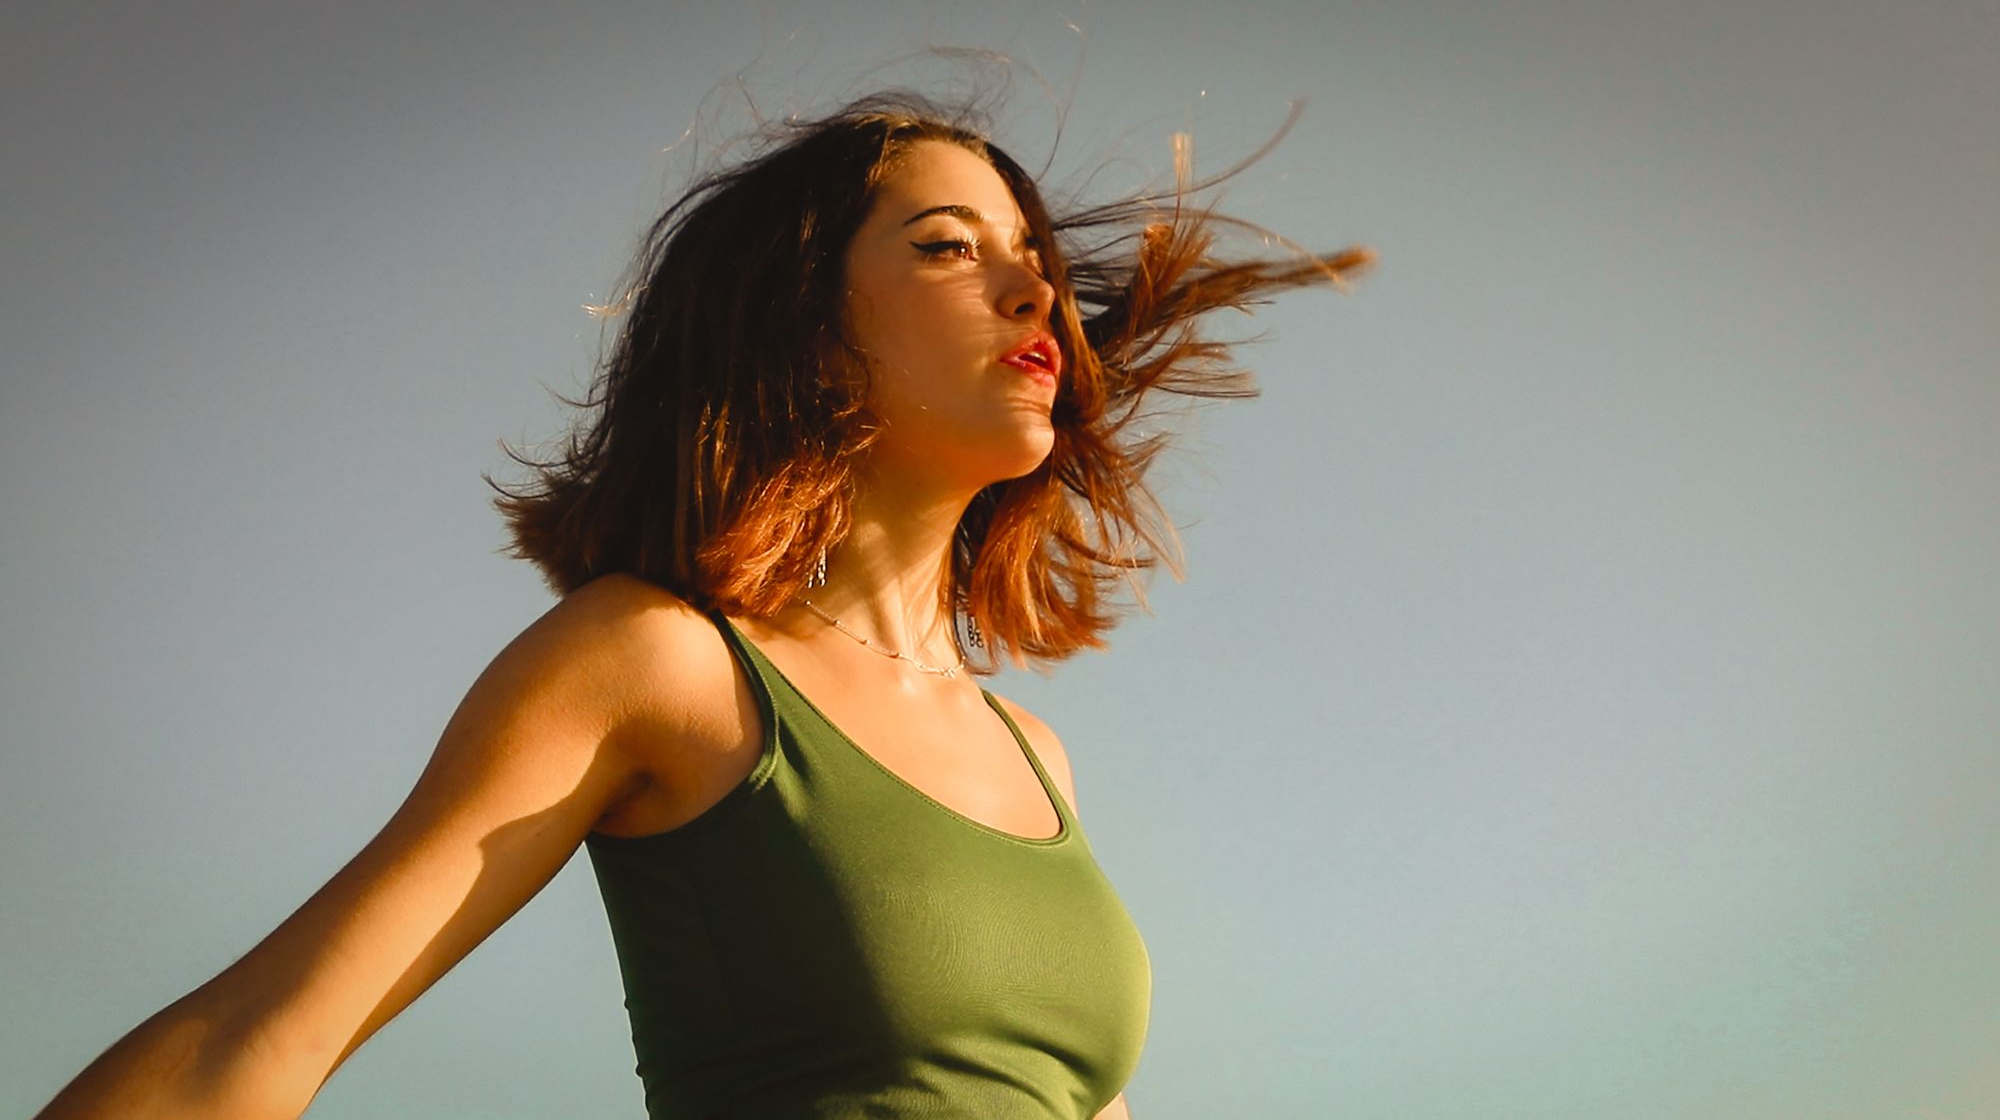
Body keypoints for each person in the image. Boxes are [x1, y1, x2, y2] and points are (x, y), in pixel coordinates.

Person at [36, 88, 1373, 1119]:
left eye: (1029, 252)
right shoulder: (656, 664)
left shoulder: (1037, 756)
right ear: (804, 324)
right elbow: (252, 1043)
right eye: (948, 246)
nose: (1032, 287)